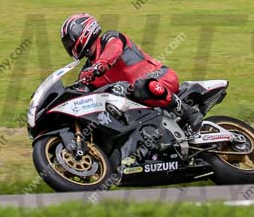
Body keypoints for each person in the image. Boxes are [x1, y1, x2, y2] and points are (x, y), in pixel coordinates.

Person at [60, 13, 202, 134]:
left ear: (82, 32)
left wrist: (100, 65)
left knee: (142, 85)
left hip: (160, 77)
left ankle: (189, 113)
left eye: (69, 40)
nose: (68, 46)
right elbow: (83, 92)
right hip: (136, 101)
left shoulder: (110, 38)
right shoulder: (88, 69)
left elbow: (113, 50)